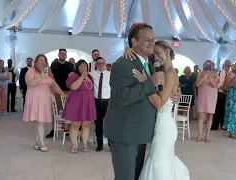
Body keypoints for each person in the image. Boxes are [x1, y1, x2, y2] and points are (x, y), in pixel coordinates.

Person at [104, 23, 183, 180]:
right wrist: (149, 83)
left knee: (136, 175)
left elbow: (161, 91)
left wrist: (176, 92)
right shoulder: (122, 64)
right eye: (147, 39)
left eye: (153, 39)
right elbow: (120, 97)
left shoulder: (152, 64)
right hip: (125, 134)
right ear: (134, 42)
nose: (152, 43)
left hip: (143, 133)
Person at [23, 54, 66, 152]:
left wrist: (63, 94)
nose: (43, 62)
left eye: (44, 61)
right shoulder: (31, 71)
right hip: (35, 99)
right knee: (40, 121)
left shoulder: (48, 73)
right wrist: (41, 76)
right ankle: (42, 142)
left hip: (45, 100)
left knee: (40, 122)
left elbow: (54, 85)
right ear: (36, 62)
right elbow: (30, 83)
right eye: (40, 60)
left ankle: (37, 142)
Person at [62, 60, 97, 153]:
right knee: (75, 124)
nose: (83, 68)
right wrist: (82, 77)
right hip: (76, 102)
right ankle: (73, 145)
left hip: (88, 102)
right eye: (80, 66)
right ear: (77, 67)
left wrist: (86, 77)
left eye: (85, 66)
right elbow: (73, 87)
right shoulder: (74, 76)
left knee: (86, 124)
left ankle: (85, 145)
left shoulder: (90, 76)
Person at [46, 49, 74, 138]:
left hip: (68, 91)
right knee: (55, 111)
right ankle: (53, 129)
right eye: (61, 54)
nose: (63, 55)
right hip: (56, 91)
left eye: (64, 54)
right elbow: (50, 77)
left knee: (69, 111)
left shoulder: (70, 65)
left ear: (66, 55)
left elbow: (73, 76)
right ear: (58, 54)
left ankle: (68, 129)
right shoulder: (54, 65)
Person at [90, 57, 111, 151]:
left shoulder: (111, 75)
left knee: (109, 124)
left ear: (105, 64)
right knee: (98, 124)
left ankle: (111, 144)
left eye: (102, 63)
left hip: (108, 102)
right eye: (99, 63)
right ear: (96, 65)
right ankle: (100, 144)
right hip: (97, 102)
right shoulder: (92, 74)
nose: (101, 65)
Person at [195, 60, 219, 142]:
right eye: (206, 65)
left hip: (212, 95)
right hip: (202, 95)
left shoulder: (215, 74)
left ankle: (207, 136)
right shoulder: (200, 73)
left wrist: (210, 77)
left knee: (210, 115)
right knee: (201, 115)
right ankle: (199, 135)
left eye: (209, 65)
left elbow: (215, 85)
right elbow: (197, 84)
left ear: (212, 66)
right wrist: (202, 77)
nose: (207, 67)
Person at [212, 60, 231, 130]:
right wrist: (222, 87)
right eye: (227, 64)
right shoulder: (219, 72)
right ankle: (215, 125)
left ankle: (223, 125)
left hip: (228, 93)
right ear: (224, 64)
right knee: (217, 109)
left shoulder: (231, 73)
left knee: (225, 110)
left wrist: (227, 88)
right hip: (220, 93)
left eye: (229, 65)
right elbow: (216, 82)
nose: (228, 66)